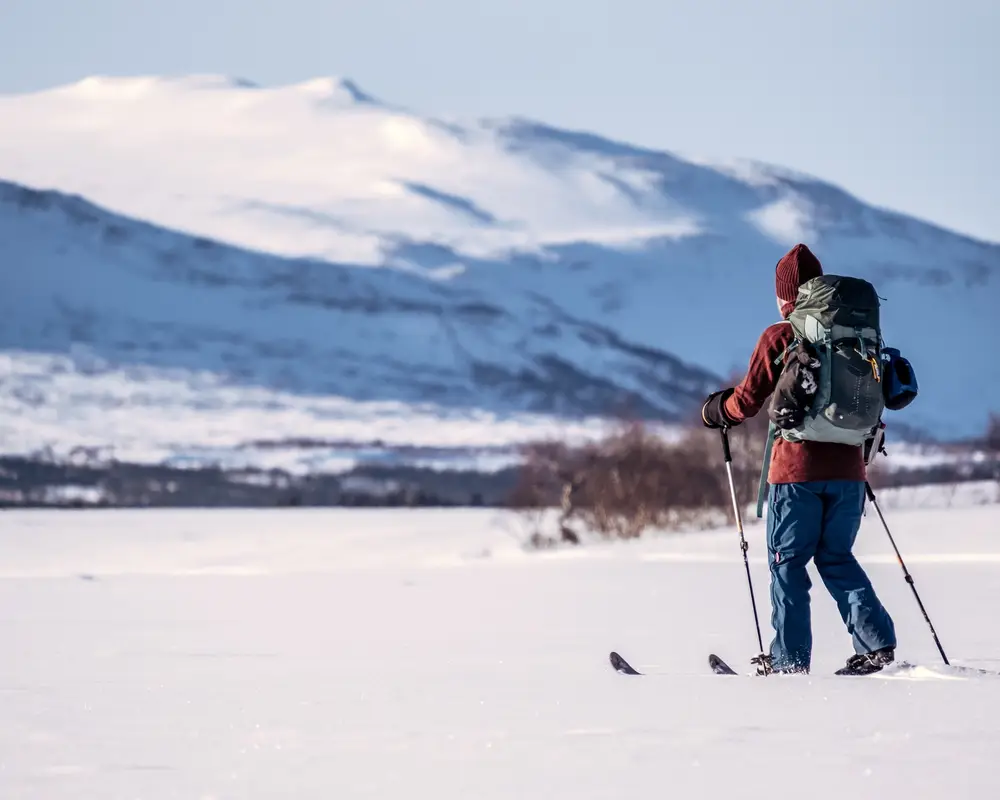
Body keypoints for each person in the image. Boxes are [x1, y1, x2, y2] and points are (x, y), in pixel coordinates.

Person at [700, 243, 897, 676]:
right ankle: (877, 645)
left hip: (796, 474)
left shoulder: (782, 335)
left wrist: (716, 411)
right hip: (850, 471)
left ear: (783, 295)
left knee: (787, 564)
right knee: (837, 557)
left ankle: (788, 663)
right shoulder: (855, 334)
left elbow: (746, 402)